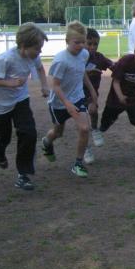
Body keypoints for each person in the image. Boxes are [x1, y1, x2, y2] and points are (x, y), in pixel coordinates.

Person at [0, 23, 49, 190]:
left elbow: (40, 68)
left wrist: (44, 86)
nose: (40, 52)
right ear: (24, 46)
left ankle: (23, 174)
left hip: (20, 99)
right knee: (4, 137)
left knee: (29, 133)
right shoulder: (6, 59)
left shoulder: (33, 57)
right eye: (37, 48)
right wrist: (9, 83)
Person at [42, 21, 99, 178]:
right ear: (67, 41)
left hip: (78, 98)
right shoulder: (61, 60)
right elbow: (55, 85)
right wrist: (67, 103)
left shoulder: (84, 54)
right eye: (76, 42)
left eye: (83, 42)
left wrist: (92, 91)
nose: (81, 46)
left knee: (84, 128)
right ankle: (47, 142)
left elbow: (82, 72)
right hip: (59, 103)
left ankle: (78, 163)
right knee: (58, 132)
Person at [97, 35, 135, 172]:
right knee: (105, 123)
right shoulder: (125, 61)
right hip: (116, 99)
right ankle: (101, 128)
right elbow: (116, 81)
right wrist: (120, 96)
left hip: (134, 100)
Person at [84, 28, 113, 153]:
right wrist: (86, 72)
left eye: (95, 44)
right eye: (89, 44)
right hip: (76, 94)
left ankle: (95, 129)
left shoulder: (99, 58)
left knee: (93, 110)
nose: (92, 47)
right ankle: (85, 148)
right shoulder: (78, 58)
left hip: (91, 94)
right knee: (82, 124)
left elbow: (113, 66)